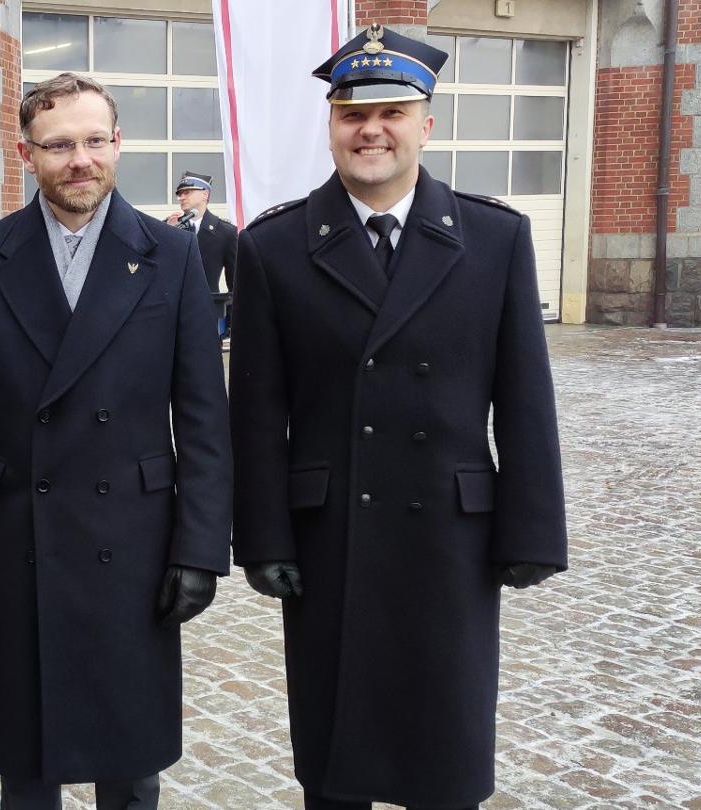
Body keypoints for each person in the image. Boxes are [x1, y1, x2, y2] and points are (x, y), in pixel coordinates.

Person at [227, 25, 568, 810]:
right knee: (336, 759)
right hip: (328, 539)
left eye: (391, 111)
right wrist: (263, 538)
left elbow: (524, 402)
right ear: (332, 124)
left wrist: (533, 531)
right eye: (351, 113)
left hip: (451, 540)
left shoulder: (495, 238)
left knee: (442, 758)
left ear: (427, 123)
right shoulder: (275, 247)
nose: (370, 130)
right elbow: (256, 412)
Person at [0, 72, 233, 810]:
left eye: (95, 140)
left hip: (134, 540)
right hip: (12, 539)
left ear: (118, 144)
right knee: (26, 759)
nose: (79, 159)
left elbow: (203, 418)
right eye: (58, 145)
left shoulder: (169, 255)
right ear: (25, 152)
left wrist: (200, 548)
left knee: (129, 758)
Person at [163, 172, 238, 336]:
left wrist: (231, 322)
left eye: (187, 192)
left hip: (208, 314)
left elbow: (234, 282)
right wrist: (168, 233)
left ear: (205, 194)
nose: (181, 197)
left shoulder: (225, 232)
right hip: (172, 315)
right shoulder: (169, 226)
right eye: (180, 194)